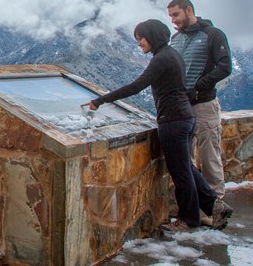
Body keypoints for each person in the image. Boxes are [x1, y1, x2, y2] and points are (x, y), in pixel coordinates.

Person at [81, 19, 232, 231]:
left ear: (151, 36)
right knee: (187, 167)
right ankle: (214, 205)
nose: (139, 43)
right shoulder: (172, 55)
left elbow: (136, 86)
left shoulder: (161, 59)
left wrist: (100, 100)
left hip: (173, 120)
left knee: (181, 173)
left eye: (141, 38)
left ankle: (189, 220)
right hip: (186, 116)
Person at [167, 0, 232, 200]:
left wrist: (198, 87)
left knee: (209, 156)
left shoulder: (213, 34)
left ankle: (216, 204)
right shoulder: (175, 39)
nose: (173, 20)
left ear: (189, 10)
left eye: (176, 14)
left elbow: (224, 67)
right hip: (181, 106)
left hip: (204, 105)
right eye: (170, 16)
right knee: (187, 158)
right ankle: (195, 203)